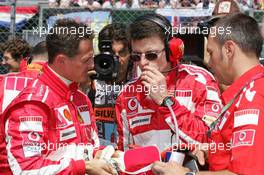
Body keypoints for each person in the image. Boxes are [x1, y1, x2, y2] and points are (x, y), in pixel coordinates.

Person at [151, 13, 264, 175]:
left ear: (229, 50)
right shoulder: (248, 90)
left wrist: (185, 174)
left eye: (211, 53)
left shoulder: (253, 97)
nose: (209, 63)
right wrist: (213, 152)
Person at [0, 19, 116, 175]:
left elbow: (86, 150)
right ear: (62, 60)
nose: (92, 65)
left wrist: (107, 154)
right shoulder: (33, 104)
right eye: (86, 60)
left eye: (92, 58)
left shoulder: (81, 98)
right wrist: (84, 167)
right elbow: (26, 168)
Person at [115, 13, 222, 153]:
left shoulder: (200, 81)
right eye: (136, 56)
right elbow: (124, 155)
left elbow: (211, 140)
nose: (142, 63)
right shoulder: (126, 94)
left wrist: (166, 102)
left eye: (151, 55)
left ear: (172, 50)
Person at [89, 23, 133, 146]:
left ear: (131, 53)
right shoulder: (89, 79)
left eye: (122, 52)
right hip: (98, 152)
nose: (117, 59)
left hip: (127, 152)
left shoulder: (138, 80)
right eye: (112, 53)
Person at [0, 41, 48, 114]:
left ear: (20, 58)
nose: (2, 63)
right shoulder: (51, 77)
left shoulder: (5, 81)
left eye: (6, 59)